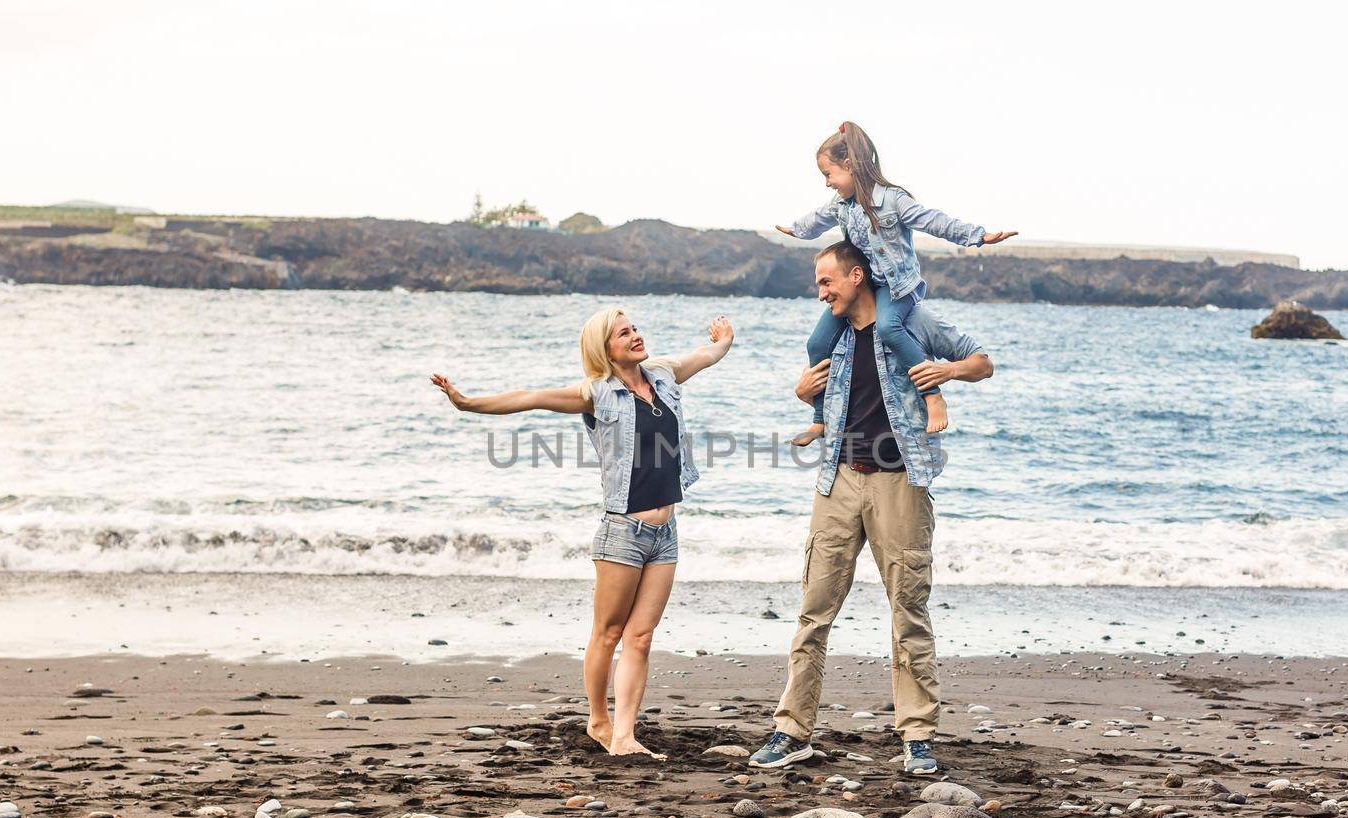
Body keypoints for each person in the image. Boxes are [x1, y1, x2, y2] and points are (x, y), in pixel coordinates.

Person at [430, 309, 734, 758]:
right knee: (608, 633)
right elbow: (530, 397)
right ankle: (598, 719)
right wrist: (467, 402)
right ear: (604, 348)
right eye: (623, 333)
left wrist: (724, 340)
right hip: (622, 532)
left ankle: (626, 736)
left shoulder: (664, 376)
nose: (635, 335)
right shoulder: (597, 395)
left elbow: (704, 356)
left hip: (666, 531)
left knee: (642, 637)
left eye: (635, 328)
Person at [749, 241, 992, 776]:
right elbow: (816, 392)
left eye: (827, 281)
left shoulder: (912, 320)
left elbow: (983, 362)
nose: (821, 292)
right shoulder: (831, 333)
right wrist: (801, 392)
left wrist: (945, 375)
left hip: (899, 483)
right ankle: (791, 732)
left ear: (857, 276)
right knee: (814, 611)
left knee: (908, 612)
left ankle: (918, 736)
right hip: (836, 479)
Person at [778, 120, 1015, 446]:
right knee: (816, 345)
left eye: (829, 174)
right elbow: (817, 218)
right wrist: (795, 229)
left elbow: (932, 220)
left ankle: (932, 395)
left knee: (889, 327)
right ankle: (819, 419)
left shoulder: (892, 200)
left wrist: (978, 236)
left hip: (896, 287)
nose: (828, 183)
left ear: (849, 165)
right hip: (865, 287)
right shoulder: (841, 205)